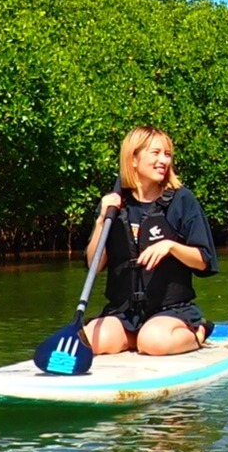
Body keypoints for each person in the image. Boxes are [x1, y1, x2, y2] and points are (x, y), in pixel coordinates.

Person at [82, 127, 219, 357]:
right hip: (124, 312)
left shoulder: (182, 200)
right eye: (155, 153)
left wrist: (171, 247)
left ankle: (198, 331)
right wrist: (101, 219)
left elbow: (204, 261)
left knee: (153, 342)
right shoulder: (115, 204)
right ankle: (134, 338)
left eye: (167, 154)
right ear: (133, 159)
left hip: (171, 310)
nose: (163, 160)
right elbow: (93, 265)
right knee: (90, 340)